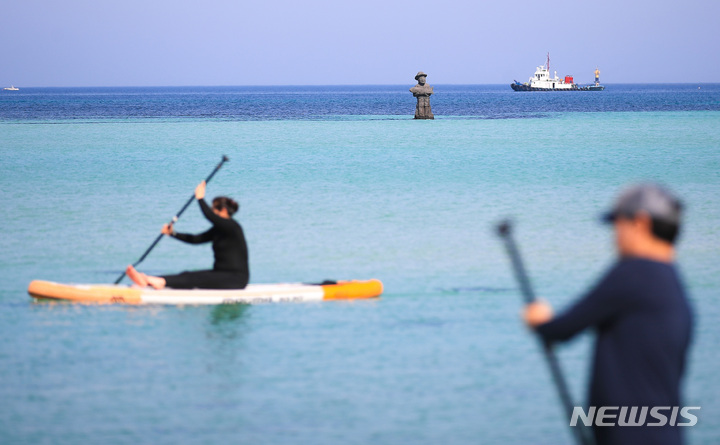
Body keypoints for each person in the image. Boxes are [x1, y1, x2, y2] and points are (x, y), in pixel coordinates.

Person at [523, 183, 693, 445]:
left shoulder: (634, 273)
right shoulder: (672, 285)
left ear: (640, 222)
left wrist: (539, 318)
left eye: (618, 225)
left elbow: (561, 329)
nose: (614, 236)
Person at [126, 180, 249, 290]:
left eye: (213, 209)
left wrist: (200, 198)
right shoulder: (218, 230)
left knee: (195, 279)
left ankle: (156, 281)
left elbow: (209, 216)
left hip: (236, 278)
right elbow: (195, 239)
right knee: (188, 275)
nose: (212, 212)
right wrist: (173, 233)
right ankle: (153, 280)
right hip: (220, 274)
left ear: (223, 211)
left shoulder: (233, 227)